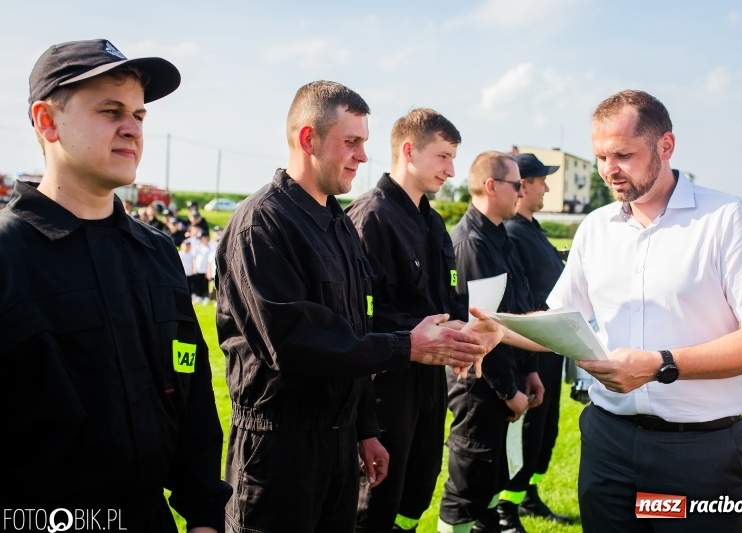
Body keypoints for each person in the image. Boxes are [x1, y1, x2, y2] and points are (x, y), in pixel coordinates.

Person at [215, 80, 495, 533]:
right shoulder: (262, 223)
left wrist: (364, 428)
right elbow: (294, 342)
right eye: (351, 142)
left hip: (339, 441)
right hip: (279, 450)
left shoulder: (337, 224)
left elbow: (356, 331)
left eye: (364, 142)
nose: (363, 156)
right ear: (308, 139)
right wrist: (406, 346)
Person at [0, 38, 231, 531]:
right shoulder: (9, 254)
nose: (133, 129)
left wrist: (205, 515)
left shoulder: (156, 252)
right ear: (47, 121)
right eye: (110, 111)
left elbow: (191, 392)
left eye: (139, 115)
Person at [547, 89, 742, 532]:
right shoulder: (596, 228)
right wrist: (496, 330)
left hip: (695, 455)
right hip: (606, 443)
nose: (609, 170)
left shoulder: (728, 218)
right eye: (600, 157)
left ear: (666, 145)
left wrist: (660, 364)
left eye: (623, 155)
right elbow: (560, 320)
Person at [345, 108, 466, 532]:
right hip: (386, 383)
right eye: (443, 157)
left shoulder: (434, 222)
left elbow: (448, 298)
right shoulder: (370, 217)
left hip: (431, 381)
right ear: (409, 151)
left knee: (417, 490)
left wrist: (463, 332)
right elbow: (357, 317)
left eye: (453, 159)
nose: (451, 170)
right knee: (376, 501)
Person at [438, 150, 545, 533]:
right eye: (516, 185)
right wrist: (508, 391)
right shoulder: (471, 245)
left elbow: (515, 309)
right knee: (467, 487)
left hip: (505, 380)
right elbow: (483, 328)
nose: (522, 192)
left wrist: (529, 370)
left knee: (491, 481)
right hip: (478, 385)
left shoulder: (500, 237)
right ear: (490, 186)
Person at [499, 153, 572, 527]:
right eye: (541, 180)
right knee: (526, 432)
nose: (546, 187)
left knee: (545, 429)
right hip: (530, 350)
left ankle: (528, 495)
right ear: (523, 185)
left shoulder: (532, 228)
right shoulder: (513, 233)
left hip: (550, 348)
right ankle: (506, 508)